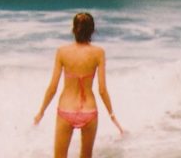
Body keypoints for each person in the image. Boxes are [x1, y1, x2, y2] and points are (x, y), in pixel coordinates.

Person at [34, 12, 123, 158]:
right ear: (92, 31)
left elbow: (52, 88)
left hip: (66, 109)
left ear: (74, 29)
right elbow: (102, 90)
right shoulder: (99, 53)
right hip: (89, 111)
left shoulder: (62, 52)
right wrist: (112, 115)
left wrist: (41, 112)